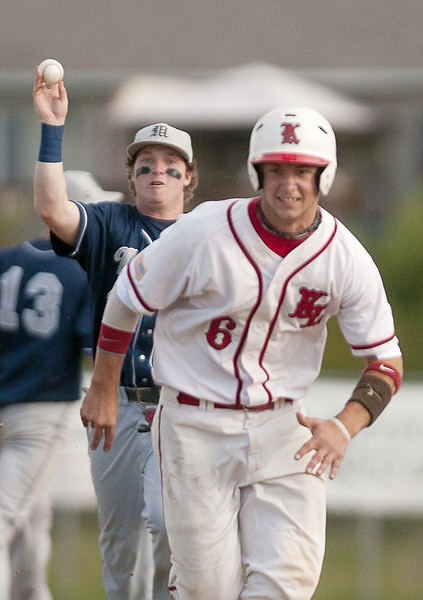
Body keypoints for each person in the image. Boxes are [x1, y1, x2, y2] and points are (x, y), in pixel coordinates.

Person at [80, 104, 403, 600]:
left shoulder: (346, 257)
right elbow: (125, 298)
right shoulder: (204, 230)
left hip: (284, 426)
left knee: (287, 584)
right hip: (194, 423)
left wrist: (344, 425)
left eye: (302, 171)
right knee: (207, 589)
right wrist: (103, 386)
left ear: (325, 176)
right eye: (275, 169)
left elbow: (384, 362)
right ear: (257, 173)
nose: (287, 184)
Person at [32, 69, 198, 600]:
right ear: (131, 176)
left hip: (185, 406)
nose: (158, 172)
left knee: (174, 533)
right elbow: (53, 210)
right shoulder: (111, 225)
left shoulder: (207, 237)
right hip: (119, 403)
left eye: (171, 167)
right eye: (146, 164)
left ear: (189, 179)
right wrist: (52, 129)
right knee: (121, 545)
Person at [0, 229, 91, 600]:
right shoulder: (81, 270)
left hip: (8, 405)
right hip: (40, 412)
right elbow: (93, 346)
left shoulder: (5, 260)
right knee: (8, 516)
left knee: (32, 517)